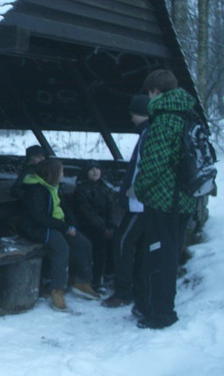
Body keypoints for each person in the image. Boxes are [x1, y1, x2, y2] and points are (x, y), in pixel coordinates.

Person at [133, 69, 198, 329]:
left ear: (155, 92)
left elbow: (153, 164)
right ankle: (158, 306)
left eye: (149, 93)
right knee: (169, 254)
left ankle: (160, 314)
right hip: (184, 199)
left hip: (163, 201)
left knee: (159, 257)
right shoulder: (188, 114)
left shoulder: (164, 120)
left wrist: (139, 188)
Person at [21, 158, 100, 311]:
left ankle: (83, 281)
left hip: (56, 225)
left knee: (83, 243)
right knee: (61, 247)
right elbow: (39, 217)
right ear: (53, 173)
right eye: (62, 171)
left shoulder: (54, 187)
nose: (64, 174)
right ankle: (57, 289)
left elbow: (64, 207)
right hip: (37, 227)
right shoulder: (36, 189)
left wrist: (71, 224)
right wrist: (64, 228)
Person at [103, 94, 151, 308]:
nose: (131, 119)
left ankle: (123, 291)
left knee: (122, 242)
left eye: (133, 114)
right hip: (139, 202)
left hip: (141, 204)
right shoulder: (146, 134)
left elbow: (145, 168)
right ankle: (134, 286)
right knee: (133, 244)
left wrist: (135, 189)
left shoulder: (149, 135)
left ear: (141, 114)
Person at [73, 161, 120, 291]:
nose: (95, 172)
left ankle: (110, 273)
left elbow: (111, 209)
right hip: (88, 226)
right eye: (91, 169)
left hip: (104, 225)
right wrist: (103, 227)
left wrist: (110, 225)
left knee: (117, 239)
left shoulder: (104, 187)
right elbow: (86, 212)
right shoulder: (82, 189)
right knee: (99, 245)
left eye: (97, 169)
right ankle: (95, 279)